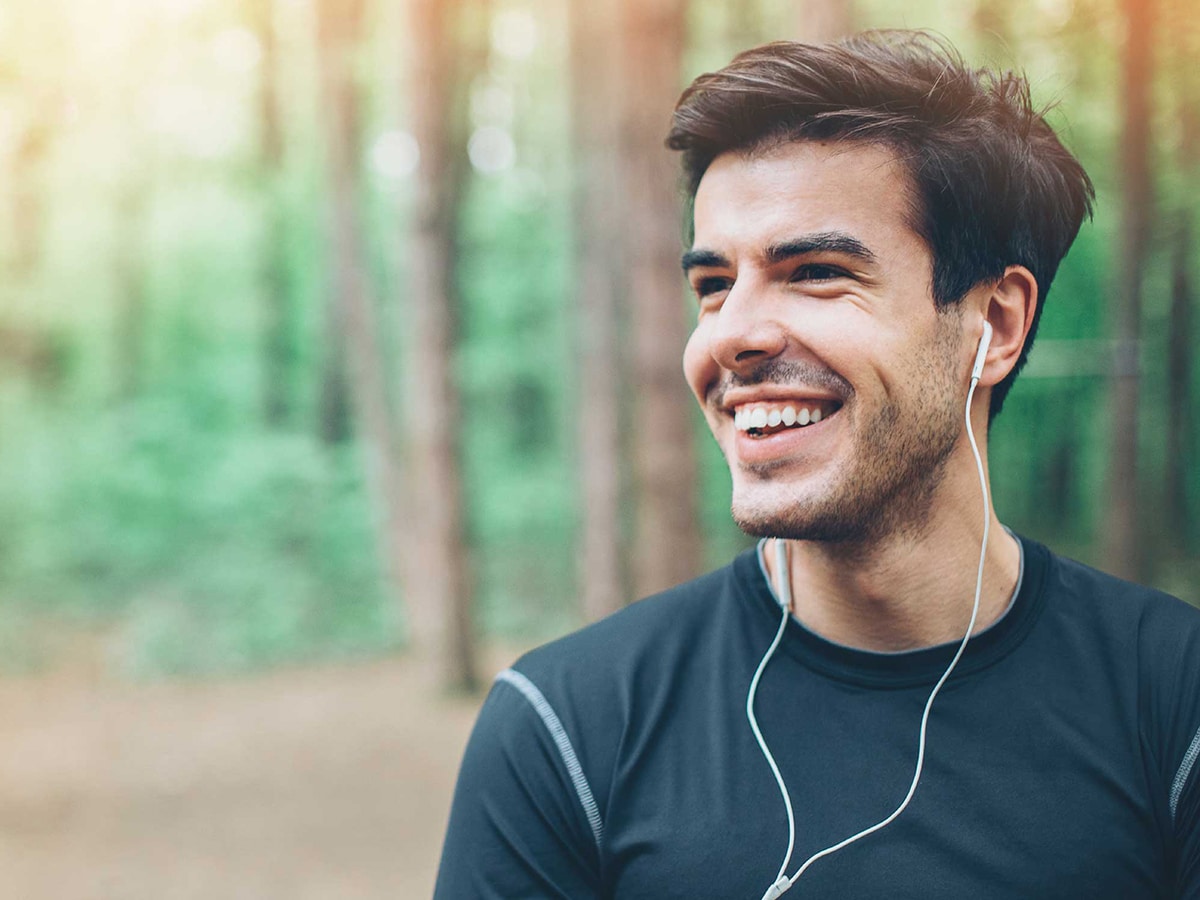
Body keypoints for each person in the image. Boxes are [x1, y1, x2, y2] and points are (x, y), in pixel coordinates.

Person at [434, 31, 1200, 899]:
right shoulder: (566, 729)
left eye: (816, 272)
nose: (730, 334)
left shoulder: (1174, 707)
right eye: (714, 284)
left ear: (997, 325)